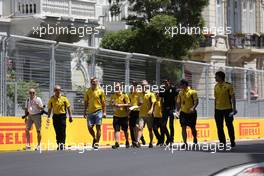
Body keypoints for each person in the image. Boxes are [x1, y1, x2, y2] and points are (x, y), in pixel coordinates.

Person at [214, 71, 237, 148]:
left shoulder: (228, 86)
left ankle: (232, 140)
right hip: (218, 110)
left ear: (220, 77)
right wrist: (215, 109)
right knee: (219, 127)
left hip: (228, 109)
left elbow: (233, 97)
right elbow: (215, 99)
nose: (215, 78)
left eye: (216, 76)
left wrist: (234, 109)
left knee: (229, 125)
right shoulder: (215, 86)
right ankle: (222, 142)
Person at [47, 85, 73, 150]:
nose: (57, 91)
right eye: (56, 90)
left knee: (62, 131)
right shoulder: (52, 99)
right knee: (57, 131)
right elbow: (50, 109)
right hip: (55, 116)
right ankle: (59, 144)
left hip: (62, 116)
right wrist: (48, 117)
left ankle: (62, 144)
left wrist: (70, 116)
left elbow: (68, 107)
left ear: (60, 90)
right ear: (54, 91)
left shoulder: (64, 98)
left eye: (59, 90)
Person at [83, 77, 106, 149]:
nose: (94, 83)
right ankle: (95, 137)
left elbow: (103, 102)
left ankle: (96, 143)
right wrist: (84, 111)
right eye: (93, 82)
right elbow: (86, 102)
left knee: (98, 128)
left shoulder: (100, 91)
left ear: (97, 83)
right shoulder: (88, 91)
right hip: (90, 112)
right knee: (89, 127)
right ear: (91, 83)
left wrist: (104, 112)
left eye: (95, 82)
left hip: (98, 111)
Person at [177, 79, 198, 149]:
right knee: (183, 127)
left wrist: (193, 108)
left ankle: (195, 138)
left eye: (181, 84)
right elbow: (178, 103)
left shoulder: (193, 92)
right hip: (183, 113)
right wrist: (178, 111)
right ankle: (185, 142)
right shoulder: (180, 93)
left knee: (193, 128)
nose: (180, 86)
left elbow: (196, 101)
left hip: (191, 113)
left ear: (185, 84)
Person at [136, 80, 156, 148]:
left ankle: (150, 142)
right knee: (140, 128)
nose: (143, 86)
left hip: (149, 114)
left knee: (150, 129)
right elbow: (138, 103)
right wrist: (139, 103)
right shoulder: (139, 94)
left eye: (144, 85)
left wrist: (151, 110)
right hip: (141, 114)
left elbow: (153, 103)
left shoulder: (151, 94)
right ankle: (137, 141)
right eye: (142, 85)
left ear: (147, 85)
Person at [110, 82, 130, 149]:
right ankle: (117, 143)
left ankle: (127, 141)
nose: (117, 88)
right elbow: (111, 104)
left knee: (125, 130)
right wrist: (113, 105)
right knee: (116, 130)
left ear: (121, 88)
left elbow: (129, 104)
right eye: (116, 87)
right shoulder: (113, 96)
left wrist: (120, 105)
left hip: (124, 116)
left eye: (118, 87)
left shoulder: (125, 95)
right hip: (116, 115)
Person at [159, 79, 178, 146]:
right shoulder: (162, 89)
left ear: (169, 81)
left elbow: (176, 99)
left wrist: (176, 110)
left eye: (166, 81)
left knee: (171, 125)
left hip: (172, 109)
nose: (165, 83)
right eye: (164, 82)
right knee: (163, 125)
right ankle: (168, 138)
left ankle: (171, 140)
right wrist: (161, 108)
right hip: (164, 109)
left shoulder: (173, 88)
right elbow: (161, 99)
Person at [128, 81, 146, 147]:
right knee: (131, 127)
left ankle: (138, 140)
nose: (133, 86)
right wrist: (129, 110)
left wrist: (135, 106)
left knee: (136, 126)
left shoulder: (139, 93)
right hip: (132, 112)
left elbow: (141, 102)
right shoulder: (130, 94)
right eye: (133, 85)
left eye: (135, 85)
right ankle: (134, 141)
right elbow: (129, 103)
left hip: (138, 111)